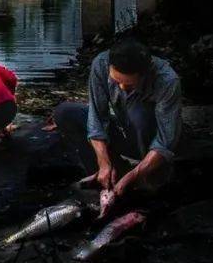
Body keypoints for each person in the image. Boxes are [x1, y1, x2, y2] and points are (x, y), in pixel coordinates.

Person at [53, 38, 182, 198]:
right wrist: (104, 162)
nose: (121, 88)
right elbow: (97, 119)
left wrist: (134, 176)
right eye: (116, 81)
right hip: (124, 130)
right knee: (65, 112)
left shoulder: (167, 81)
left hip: (149, 142)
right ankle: (106, 176)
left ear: (144, 74)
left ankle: (144, 176)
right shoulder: (100, 64)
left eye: (128, 85)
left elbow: (165, 142)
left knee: (138, 113)